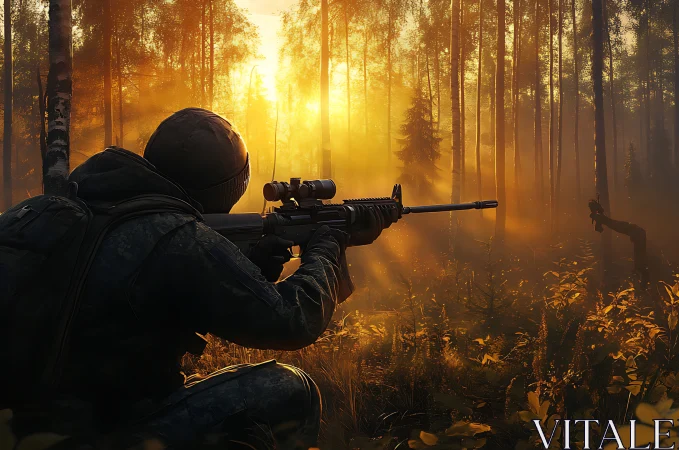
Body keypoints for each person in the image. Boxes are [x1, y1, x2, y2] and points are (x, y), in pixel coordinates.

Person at [6, 108, 394, 449]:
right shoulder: (180, 237)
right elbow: (292, 321)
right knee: (292, 388)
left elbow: (128, 298)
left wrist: (250, 268)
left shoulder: (47, 212)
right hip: (106, 434)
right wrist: (327, 246)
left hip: (16, 428)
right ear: (228, 189)